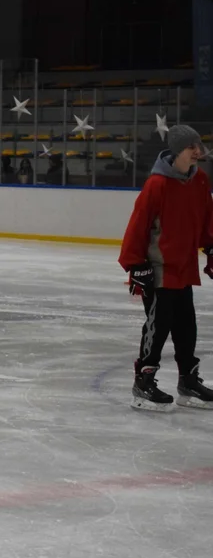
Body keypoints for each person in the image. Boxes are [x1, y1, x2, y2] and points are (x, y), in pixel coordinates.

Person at [119, 125, 213, 412]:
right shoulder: (157, 184)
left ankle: (188, 380)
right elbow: (138, 225)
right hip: (158, 269)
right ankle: (144, 381)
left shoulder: (200, 182)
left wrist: (211, 248)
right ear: (177, 151)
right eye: (191, 147)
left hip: (184, 267)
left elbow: (206, 220)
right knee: (158, 326)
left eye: (198, 145)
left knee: (187, 325)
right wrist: (136, 265)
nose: (198, 151)